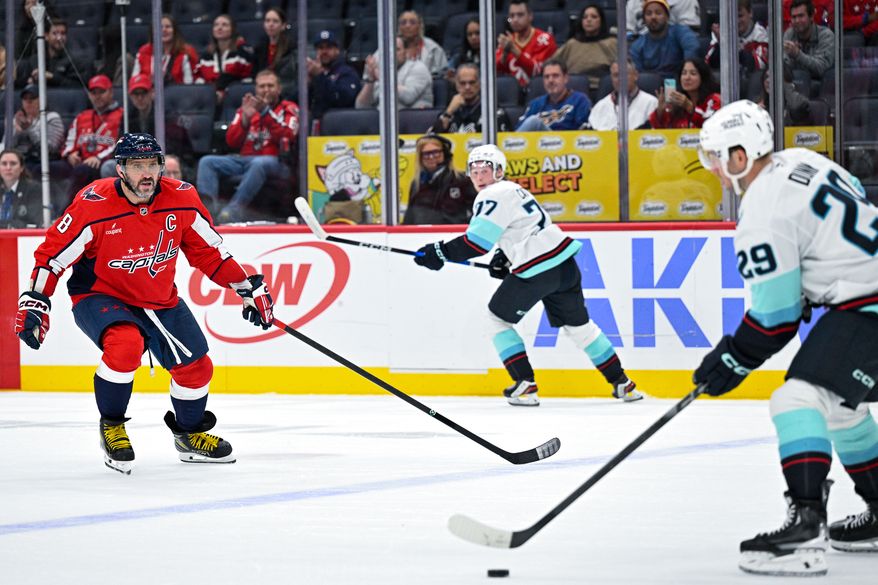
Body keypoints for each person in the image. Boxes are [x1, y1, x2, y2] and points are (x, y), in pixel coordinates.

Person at [13, 133, 275, 474]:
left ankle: (190, 434)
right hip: (101, 293)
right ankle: (113, 426)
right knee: (125, 345)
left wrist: (246, 286)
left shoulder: (182, 198)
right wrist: (36, 301)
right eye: (137, 165)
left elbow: (209, 253)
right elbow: (52, 257)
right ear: (120, 169)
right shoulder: (93, 204)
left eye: (152, 163)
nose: (147, 173)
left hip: (158, 298)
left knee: (198, 367)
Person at [694, 99, 878, 575]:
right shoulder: (803, 158)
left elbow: (775, 318)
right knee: (839, 405)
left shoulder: (761, 211)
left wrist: (731, 359)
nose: (713, 168)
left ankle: (805, 529)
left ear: (739, 157)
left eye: (716, 157)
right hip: (866, 296)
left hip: (869, 304)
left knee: (796, 400)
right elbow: (854, 196)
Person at [411, 144, 644, 406]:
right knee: (581, 328)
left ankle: (525, 384)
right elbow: (522, 229)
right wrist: (506, 257)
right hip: (564, 265)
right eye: (474, 171)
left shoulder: (493, 194)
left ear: (498, 171)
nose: (478, 177)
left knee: (495, 320)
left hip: (537, 269)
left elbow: (476, 243)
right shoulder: (515, 190)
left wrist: (439, 252)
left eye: (485, 170)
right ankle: (623, 383)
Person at [196, 69, 299, 223]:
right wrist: (244, 120)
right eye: (261, 86)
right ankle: (206, 213)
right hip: (245, 160)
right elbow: (231, 141)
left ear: (279, 88)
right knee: (207, 162)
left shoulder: (288, 108)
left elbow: (288, 135)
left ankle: (233, 211)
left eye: (270, 86)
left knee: (259, 164)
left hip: (277, 162)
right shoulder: (247, 107)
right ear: (255, 89)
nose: (265, 90)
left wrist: (265, 113)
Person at [59, 74, 123, 209]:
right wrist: (70, 154)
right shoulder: (82, 116)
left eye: (101, 92)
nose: (97, 96)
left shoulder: (121, 115)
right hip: (79, 162)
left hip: (104, 162)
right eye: (94, 93)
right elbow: (68, 141)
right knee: (44, 169)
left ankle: (68, 211)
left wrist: (98, 157)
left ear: (111, 92)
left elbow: (120, 141)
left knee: (83, 171)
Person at [402, 134, 477, 225]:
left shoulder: (461, 180)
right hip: (421, 236)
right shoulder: (417, 183)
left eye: (435, 152)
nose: (431, 157)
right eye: (426, 154)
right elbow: (409, 217)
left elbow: (477, 211)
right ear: (420, 158)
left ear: (445, 154)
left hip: (453, 235)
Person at [552, 4, 618, 91]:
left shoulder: (611, 43)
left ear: (601, 21)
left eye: (594, 17)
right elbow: (553, 64)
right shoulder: (571, 44)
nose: (589, 20)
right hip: (574, 89)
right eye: (585, 17)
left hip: (604, 90)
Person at [430, 64, 511, 134]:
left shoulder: (493, 111)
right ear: (456, 85)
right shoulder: (450, 111)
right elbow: (430, 139)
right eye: (462, 83)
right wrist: (449, 112)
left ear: (479, 84)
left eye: (472, 82)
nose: (467, 87)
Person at [356, 37, 432, 109]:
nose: (392, 53)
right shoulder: (380, 70)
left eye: (397, 49)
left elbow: (408, 97)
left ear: (405, 52)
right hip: (383, 120)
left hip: (414, 119)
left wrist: (381, 78)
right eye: (387, 49)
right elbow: (361, 106)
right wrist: (371, 81)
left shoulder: (418, 68)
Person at [629, 0, 701, 78]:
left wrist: (685, 73)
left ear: (667, 17)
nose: (653, 17)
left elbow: (693, 47)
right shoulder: (637, 45)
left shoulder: (680, 32)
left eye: (658, 13)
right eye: (649, 14)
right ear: (644, 19)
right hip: (652, 86)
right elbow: (638, 75)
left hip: (680, 82)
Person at [516, 59, 592, 131]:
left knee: (534, 121)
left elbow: (583, 131)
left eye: (555, 76)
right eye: (546, 77)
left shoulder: (580, 100)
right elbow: (519, 129)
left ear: (565, 78)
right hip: (537, 143)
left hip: (567, 142)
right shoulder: (535, 104)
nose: (550, 80)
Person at [195, 13, 256, 103]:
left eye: (225, 25)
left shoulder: (242, 53)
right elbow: (198, 80)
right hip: (209, 101)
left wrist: (226, 93)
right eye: (216, 25)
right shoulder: (205, 55)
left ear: (232, 29)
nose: (219, 28)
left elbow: (247, 80)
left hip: (235, 100)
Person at [496, 0, 557, 88]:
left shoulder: (544, 39)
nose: (515, 20)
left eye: (520, 15)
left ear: (530, 16)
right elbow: (495, 73)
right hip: (512, 93)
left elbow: (537, 72)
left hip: (537, 91)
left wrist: (513, 49)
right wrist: (505, 54)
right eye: (512, 16)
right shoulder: (508, 40)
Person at [16, 19, 91, 89]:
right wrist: (29, 81)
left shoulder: (74, 61)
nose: (59, 38)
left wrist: (52, 77)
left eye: (63, 33)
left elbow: (78, 87)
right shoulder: (35, 60)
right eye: (55, 33)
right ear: (46, 36)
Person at [306, 30, 361, 123]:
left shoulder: (347, 72)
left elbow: (344, 98)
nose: (324, 51)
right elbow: (296, 100)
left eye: (329, 47)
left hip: (340, 123)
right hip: (316, 122)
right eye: (320, 48)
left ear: (337, 50)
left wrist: (320, 76)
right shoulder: (312, 72)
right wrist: (307, 82)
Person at [649, 58, 721, 129]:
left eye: (693, 73)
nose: (687, 78)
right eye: (684, 73)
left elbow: (712, 126)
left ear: (703, 77)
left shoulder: (715, 100)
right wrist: (660, 113)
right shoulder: (677, 103)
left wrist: (690, 108)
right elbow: (662, 133)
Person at [588, 59, 658, 130]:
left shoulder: (651, 103)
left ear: (635, 75)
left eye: (624, 74)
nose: (620, 79)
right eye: (616, 75)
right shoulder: (600, 106)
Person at [131, 14, 199, 85]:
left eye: (168, 27)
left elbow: (189, 84)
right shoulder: (144, 52)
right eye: (160, 27)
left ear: (175, 31)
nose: (164, 30)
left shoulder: (186, 52)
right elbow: (135, 81)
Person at [10, 84, 65, 169]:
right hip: (16, 160)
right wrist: (16, 132)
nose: (28, 101)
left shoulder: (52, 117)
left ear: (42, 100)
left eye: (32, 98)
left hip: (39, 161)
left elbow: (51, 148)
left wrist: (29, 129)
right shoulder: (16, 119)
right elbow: (7, 147)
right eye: (25, 99)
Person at [705, 0, 769, 74]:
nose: (736, 21)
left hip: (749, 79)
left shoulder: (760, 34)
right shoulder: (720, 32)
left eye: (740, 16)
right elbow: (709, 64)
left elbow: (759, 66)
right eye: (732, 16)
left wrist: (729, 45)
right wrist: (721, 42)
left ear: (750, 13)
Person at [783, 0, 835, 81]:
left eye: (801, 16)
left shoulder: (826, 35)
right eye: (794, 17)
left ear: (811, 17)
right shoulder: (789, 34)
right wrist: (790, 57)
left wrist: (797, 54)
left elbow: (821, 68)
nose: (797, 21)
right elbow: (784, 68)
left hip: (821, 85)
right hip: (796, 84)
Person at [396, 10, 448, 78]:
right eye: (403, 23)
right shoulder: (389, 46)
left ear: (420, 26)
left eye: (412, 22)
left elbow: (443, 74)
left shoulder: (433, 49)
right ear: (399, 27)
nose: (407, 26)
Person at [0, 149, 43, 228]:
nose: (8, 168)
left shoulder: (33, 189)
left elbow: (34, 220)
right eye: (4, 164)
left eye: (13, 164)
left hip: (22, 237)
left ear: (21, 168)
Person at [252, 7, 296, 82]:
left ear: (283, 26)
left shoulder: (291, 46)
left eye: (275, 21)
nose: (270, 24)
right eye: (267, 21)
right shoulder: (259, 46)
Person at [625, 0, 701, 37]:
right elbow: (628, 32)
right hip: (640, 47)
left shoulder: (685, 1)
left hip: (672, 47)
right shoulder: (633, 2)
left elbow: (690, 33)